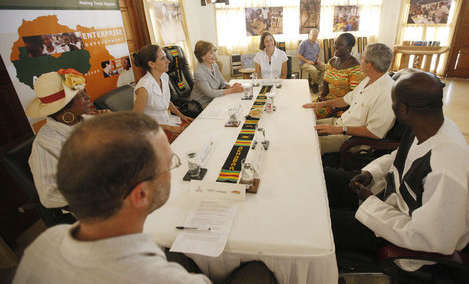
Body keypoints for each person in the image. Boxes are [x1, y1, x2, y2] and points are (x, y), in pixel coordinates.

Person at [14, 112, 277, 284]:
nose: (172, 168)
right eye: (169, 164)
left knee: (182, 258)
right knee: (259, 271)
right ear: (140, 194)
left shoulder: (43, 244)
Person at [325, 72, 469, 272]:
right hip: (388, 202)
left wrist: (370, 202)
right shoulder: (425, 125)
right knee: (325, 179)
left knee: (320, 225)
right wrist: (371, 173)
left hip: (403, 240)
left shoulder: (446, 170)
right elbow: (397, 156)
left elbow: (428, 238)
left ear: (403, 109)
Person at [26, 69, 108, 208]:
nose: (88, 97)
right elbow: (49, 196)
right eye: (80, 96)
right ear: (65, 108)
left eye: (84, 92)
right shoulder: (45, 144)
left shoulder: (88, 120)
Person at [303, 43, 395, 155]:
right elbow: (346, 100)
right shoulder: (369, 79)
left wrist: (340, 130)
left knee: (306, 145)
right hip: (341, 124)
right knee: (305, 126)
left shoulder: (387, 93)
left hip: (353, 140)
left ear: (369, 65)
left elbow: (374, 132)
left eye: (362, 58)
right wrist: (321, 104)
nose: (359, 60)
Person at [133, 45, 193, 143]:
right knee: (187, 140)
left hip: (168, 122)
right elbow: (137, 121)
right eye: (163, 58)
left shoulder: (164, 77)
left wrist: (182, 116)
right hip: (153, 131)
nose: (168, 61)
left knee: (194, 127)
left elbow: (166, 102)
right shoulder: (144, 87)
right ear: (152, 64)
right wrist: (167, 127)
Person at [313, 33, 365, 119]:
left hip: (342, 105)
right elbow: (325, 83)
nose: (335, 47)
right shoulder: (332, 61)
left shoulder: (355, 68)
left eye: (340, 45)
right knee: (306, 108)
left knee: (311, 116)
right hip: (328, 99)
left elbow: (355, 97)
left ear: (349, 47)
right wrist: (322, 96)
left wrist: (335, 108)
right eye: (335, 43)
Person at [190, 40, 243, 108]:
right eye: (211, 52)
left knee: (234, 104)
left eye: (214, 51)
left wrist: (231, 87)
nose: (215, 54)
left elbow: (222, 82)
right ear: (202, 56)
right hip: (199, 104)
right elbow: (211, 93)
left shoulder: (214, 65)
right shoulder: (199, 72)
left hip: (213, 99)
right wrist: (232, 90)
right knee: (225, 108)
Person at [298, 29, 326, 93]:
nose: (315, 37)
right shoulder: (303, 43)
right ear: (309, 35)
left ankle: (316, 84)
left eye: (316, 36)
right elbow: (299, 56)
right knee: (314, 70)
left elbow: (318, 55)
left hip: (315, 62)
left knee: (326, 67)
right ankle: (314, 84)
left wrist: (318, 60)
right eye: (313, 35)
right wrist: (308, 61)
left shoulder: (317, 44)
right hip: (304, 63)